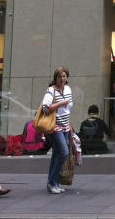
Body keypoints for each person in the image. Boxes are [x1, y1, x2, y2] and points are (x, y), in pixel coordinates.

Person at [41, 66, 73, 194]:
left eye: (64, 76)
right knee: (63, 153)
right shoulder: (50, 91)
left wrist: (70, 125)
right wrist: (61, 103)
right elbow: (45, 108)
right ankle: (52, 182)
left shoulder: (68, 89)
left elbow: (68, 109)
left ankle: (53, 183)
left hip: (65, 126)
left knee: (56, 154)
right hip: (55, 126)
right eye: (59, 76)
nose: (62, 79)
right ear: (55, 78)